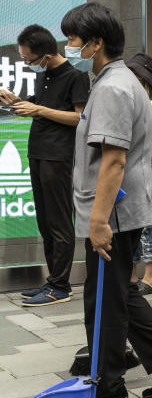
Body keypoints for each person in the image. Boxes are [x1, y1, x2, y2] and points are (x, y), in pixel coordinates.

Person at [61, 2, 152, 398]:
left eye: (73, 38)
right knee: (113, 291)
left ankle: (109, 385)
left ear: (96, 43)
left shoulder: (113, 89)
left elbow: (113, 160)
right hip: (117, 209)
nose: (69, 45)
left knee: (104, 296)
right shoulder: (114, 82)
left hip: (114, 213)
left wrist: (99, 221)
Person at [0, 25, 89, 306]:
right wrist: (17, 103)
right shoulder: (45, 75)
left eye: (29, 60)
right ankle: (54, 281)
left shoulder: (76, 76)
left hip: (58, 156)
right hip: (37, 153)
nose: (28, 65)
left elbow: (79, 118)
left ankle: (61, 285)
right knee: (45, 223)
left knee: (60, 223)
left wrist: (37, 109)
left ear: (47, 56)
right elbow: (43, 106)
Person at [126, 53, 152, 294]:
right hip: (129, 168)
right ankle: (131, 276)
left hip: (144, 168)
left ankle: (151, 278)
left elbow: (132, 123)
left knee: (149, 221)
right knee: (131, 222)